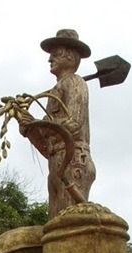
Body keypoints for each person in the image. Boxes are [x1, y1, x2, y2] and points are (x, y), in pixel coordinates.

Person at [19, 29, 96, 219]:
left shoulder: (74, 82)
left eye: (55, 54)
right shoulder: (56, 89)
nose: (49, 59)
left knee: (67, 224)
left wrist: (41, 125)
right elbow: (47, 146)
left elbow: (74, 123)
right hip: (56, 162)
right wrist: (30, 128)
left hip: (74, 161)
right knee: (54, 223)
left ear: (70, 56)